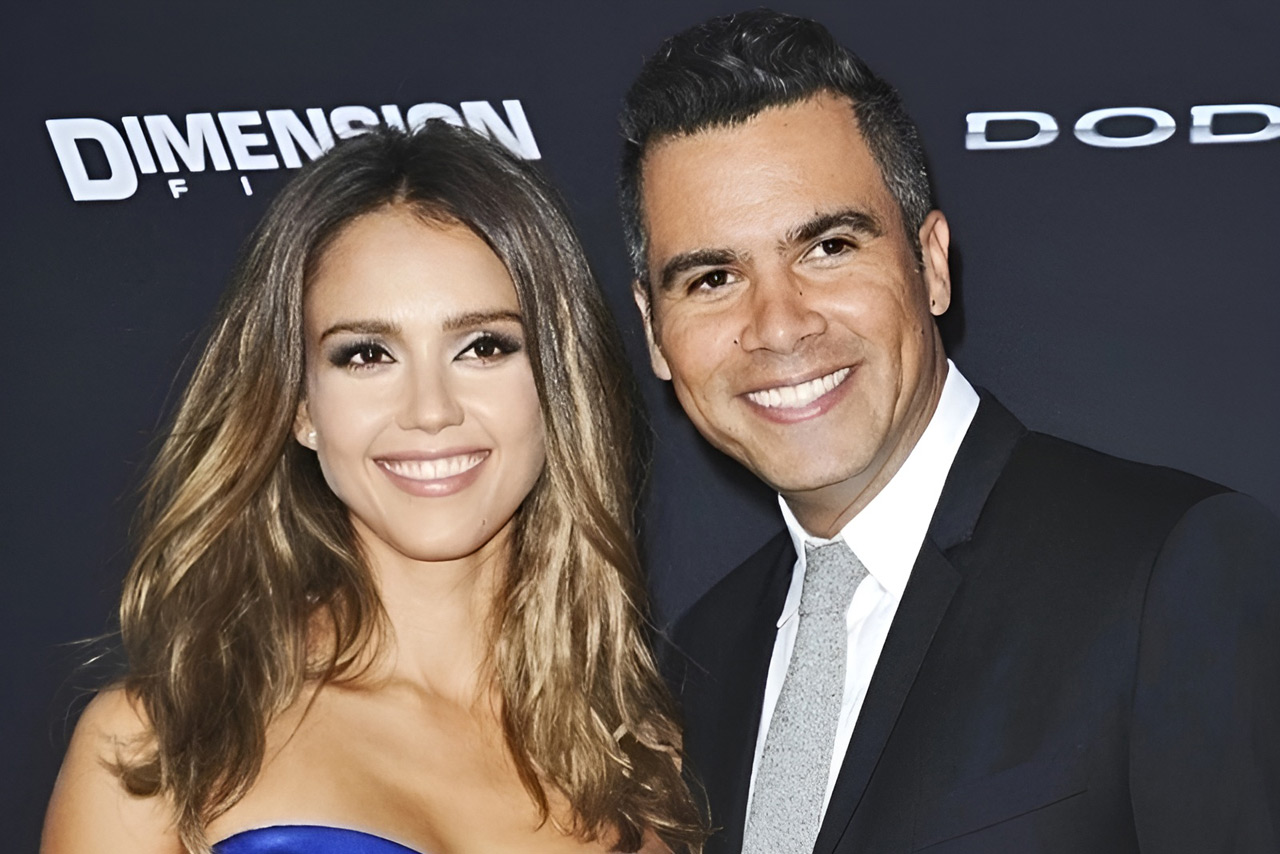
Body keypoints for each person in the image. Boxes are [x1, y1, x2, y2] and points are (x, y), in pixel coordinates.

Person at [619, 9, 1280, 854]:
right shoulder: (701, 656)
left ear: (929, 263)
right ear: (655, 333)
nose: (778, 325)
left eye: (827, 247)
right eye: (713, 278)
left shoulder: (1170, 573)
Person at [42, 123, 704, 854]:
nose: (430, 410)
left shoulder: (645, 764)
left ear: (558, 384)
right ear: (300, 405)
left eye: (483, 346)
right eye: (366, 355)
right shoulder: (158, 745)